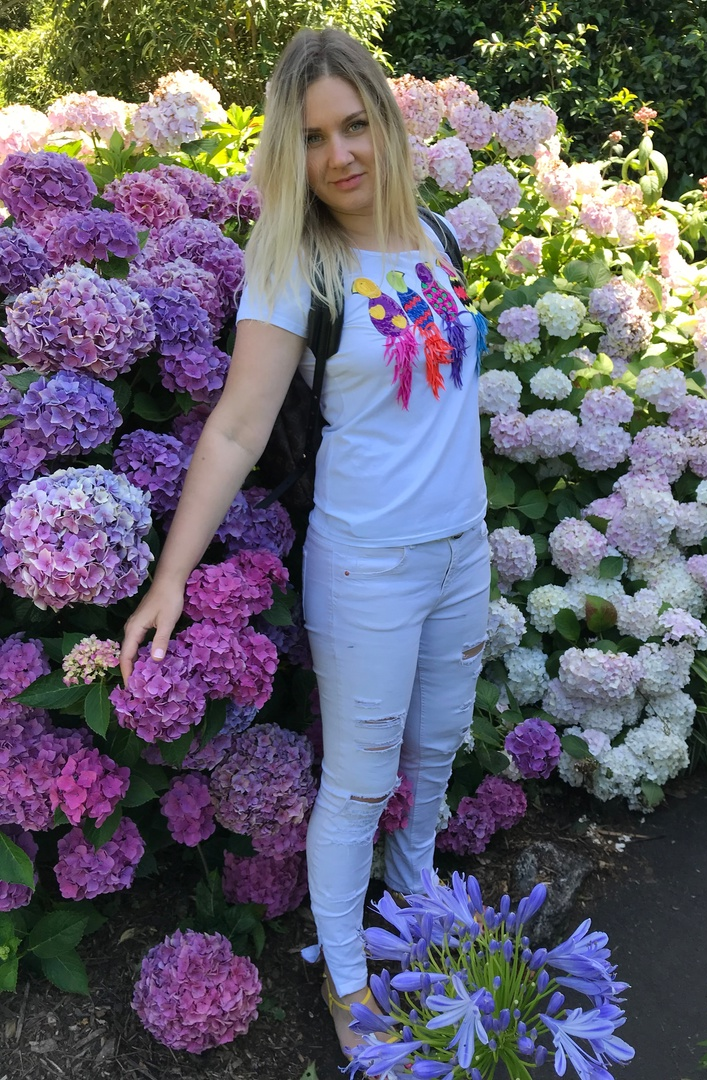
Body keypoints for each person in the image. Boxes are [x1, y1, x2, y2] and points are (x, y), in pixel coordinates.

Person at [119, 27, 490, 1057]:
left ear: (386, 123)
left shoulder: (438, 240)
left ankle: (418, 910)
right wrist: (169, 578)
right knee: (360, 784)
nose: (341, 155)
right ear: (293, 153)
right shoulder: (296, 266)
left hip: (462, 553)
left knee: (436, 755)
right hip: (369, 565)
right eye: (315, 138)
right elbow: (236, 430)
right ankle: (347, 972)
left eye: (354, 125)